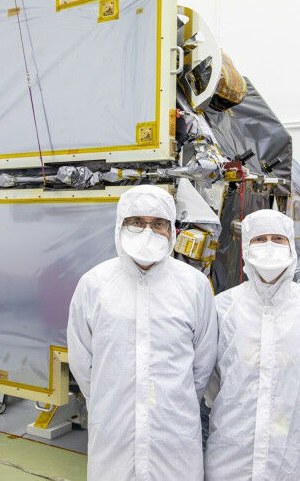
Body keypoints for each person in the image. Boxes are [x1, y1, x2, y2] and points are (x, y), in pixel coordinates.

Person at [67, 184, 218, 481]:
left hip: (173, 431)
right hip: (114, 426)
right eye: (137, 222)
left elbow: (202, 365)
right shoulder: (94, 284)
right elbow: (82, 361)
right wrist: (107, 398)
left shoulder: (194, 286)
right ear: (120, 225)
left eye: (158, 223)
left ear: (171, 230)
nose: (147, 231)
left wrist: (173, 399)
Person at [204, 209, 300, 480]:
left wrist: (292, 411)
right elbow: (211, 378)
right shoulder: (223, 308)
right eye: (260, 239)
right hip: (233, 446)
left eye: (278, 239)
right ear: (246, 248)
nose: (269, 245)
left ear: (292, 246)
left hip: (292, 448)